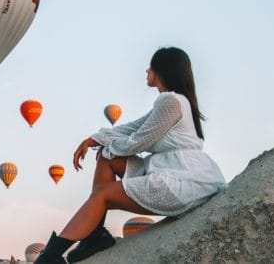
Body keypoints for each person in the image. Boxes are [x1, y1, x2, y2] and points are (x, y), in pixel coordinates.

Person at [35, 47, 227, 263]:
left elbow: (139, 141)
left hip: (180, 181)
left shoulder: (171, 101)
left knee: (102, 194)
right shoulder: (173, 101)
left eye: (151, 67)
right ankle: (94, 236)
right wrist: (95, 139)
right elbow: (132, 128)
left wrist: (106, 145)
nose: (147, 70)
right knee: (107, 158)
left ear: (162, 70)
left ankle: (50, 255)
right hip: (166, 169)